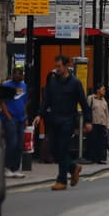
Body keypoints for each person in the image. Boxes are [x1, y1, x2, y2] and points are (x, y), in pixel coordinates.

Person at [41, 55, 91, 191]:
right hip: (55, 120)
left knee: (62, 150)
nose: (57, 69)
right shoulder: (53, 82)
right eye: (56, 66)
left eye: (59, 66)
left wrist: (88, 120)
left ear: (66, 66)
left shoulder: (75, 83)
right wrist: (40, 114)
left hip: (68, 121)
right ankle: (73, 168)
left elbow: (83, 102)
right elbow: (47, 100)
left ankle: (62, 180)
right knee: (54, 150)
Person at [0, 68, 27, 179]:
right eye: (18, 75)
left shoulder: (24, 86)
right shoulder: (6, 85)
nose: (20, 77)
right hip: (11, 119)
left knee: (20, 145)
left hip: (21, 119)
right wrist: (8, 117)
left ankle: (15, 168)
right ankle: (7, 167)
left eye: (21, 75)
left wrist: (25, 116)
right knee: (12, 143)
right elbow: (2, 102)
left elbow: (24, 101)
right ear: (13, 75)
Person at [87, 85, 109, 164]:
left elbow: (107, 115)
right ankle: (92, 158)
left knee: (102, 142)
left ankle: (101, 159)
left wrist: (108, 126)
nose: (104, 91)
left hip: (102, 124)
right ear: (98, 90)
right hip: (94, 123)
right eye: (103, 89)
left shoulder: (104, 101)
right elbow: (87, 111)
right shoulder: (91, 99)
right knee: (93, 141)